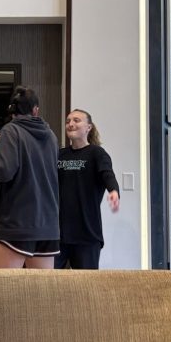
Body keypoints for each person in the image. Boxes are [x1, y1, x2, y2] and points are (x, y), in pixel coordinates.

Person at [0, 86, 60, 269]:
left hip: (15, 225)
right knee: (41, 287)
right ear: (35, 110)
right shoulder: (51, 136)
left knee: (5, 286)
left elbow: (3, 171)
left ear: (12, 110)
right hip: (47, 226)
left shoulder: (11, 131)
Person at [57, 109, 120, 269]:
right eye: (68, 121)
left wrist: (113, 191)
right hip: (58, 234)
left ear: (88, 127)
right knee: (50, 281)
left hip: (87, 235)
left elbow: (107, 174)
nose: (71, 124)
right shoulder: (59, 155)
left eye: (76, 120)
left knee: (86, 283)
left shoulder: (96, 153)